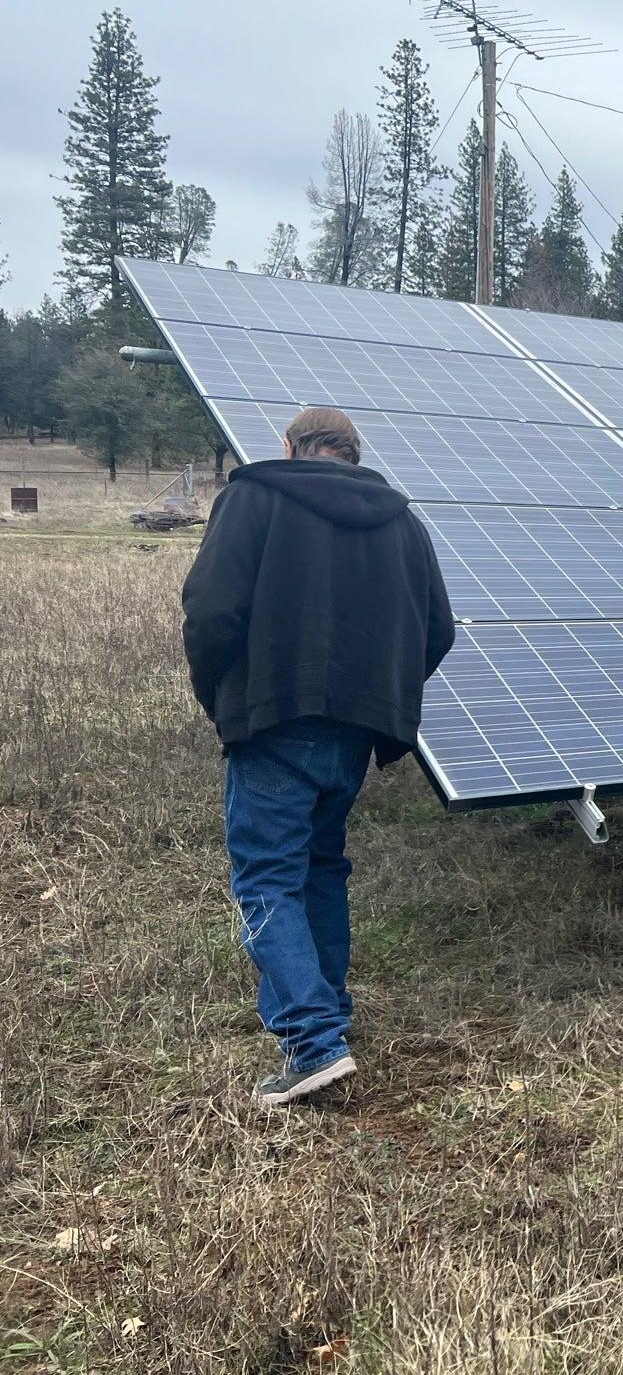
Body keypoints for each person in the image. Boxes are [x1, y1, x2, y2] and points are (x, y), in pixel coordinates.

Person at [181, 407, 455, 1106]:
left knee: (268, 878)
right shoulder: (402, 523)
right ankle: (327, 1017)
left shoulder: (255, 497)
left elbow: (211, 610)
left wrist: (223, 697)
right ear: (353, 456)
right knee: (319, 869)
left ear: (290, 447)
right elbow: (438, 629)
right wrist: (380, 697)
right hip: (355, 733)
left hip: (274, 720)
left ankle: (314, 1042)